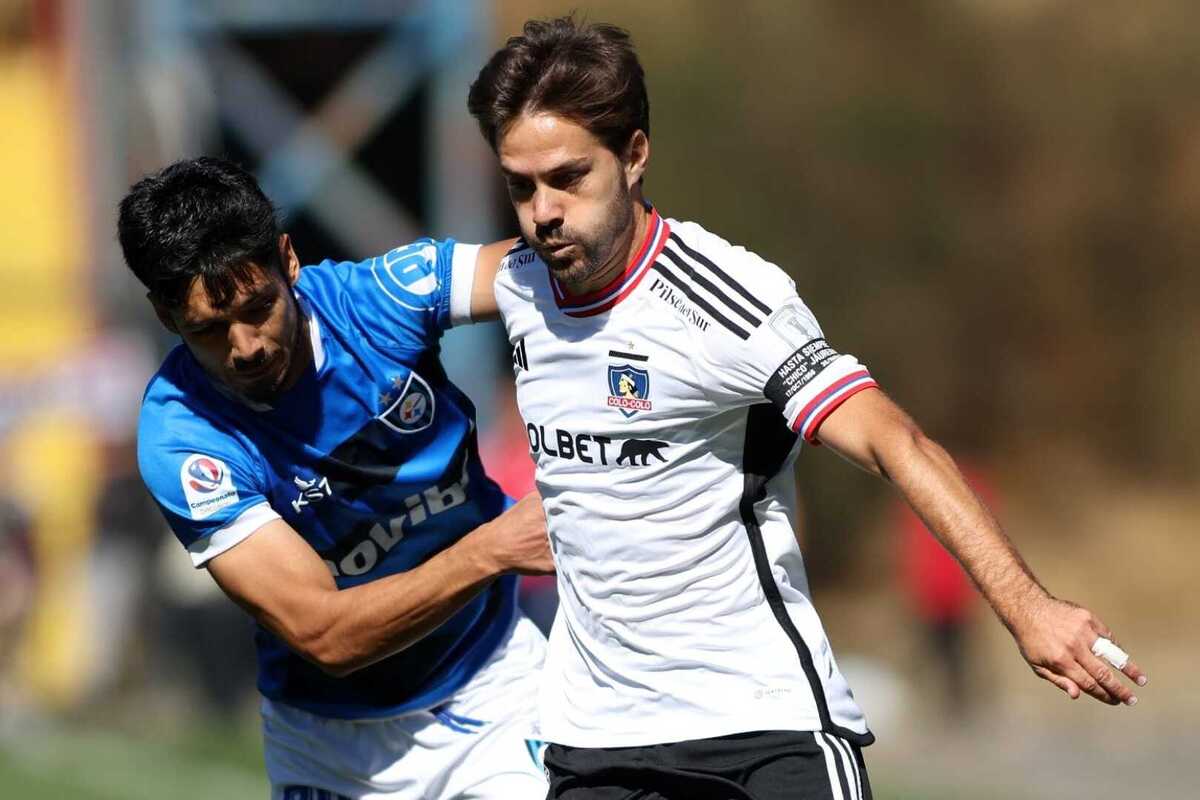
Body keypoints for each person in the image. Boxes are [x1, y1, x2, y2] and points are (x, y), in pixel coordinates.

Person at [465, 17, 1148, 800]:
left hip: (762, 735)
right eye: (520, 187)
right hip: (594, 749)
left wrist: (1028, 607)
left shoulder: (727, 303)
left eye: (569, 177)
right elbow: (344, 301)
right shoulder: (516, 284)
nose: (543, 211)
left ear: (635, 157)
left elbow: (899, 443)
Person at [118, 157, 553, 800]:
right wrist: (492, 550)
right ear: (165, 317)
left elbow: (564, 268)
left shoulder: (378, 301)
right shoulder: (183, 439)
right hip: (330, 748)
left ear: (288, 260)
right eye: (207, 330)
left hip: (493, 684)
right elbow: (326, 633)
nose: (245, 347)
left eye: (258, 306)